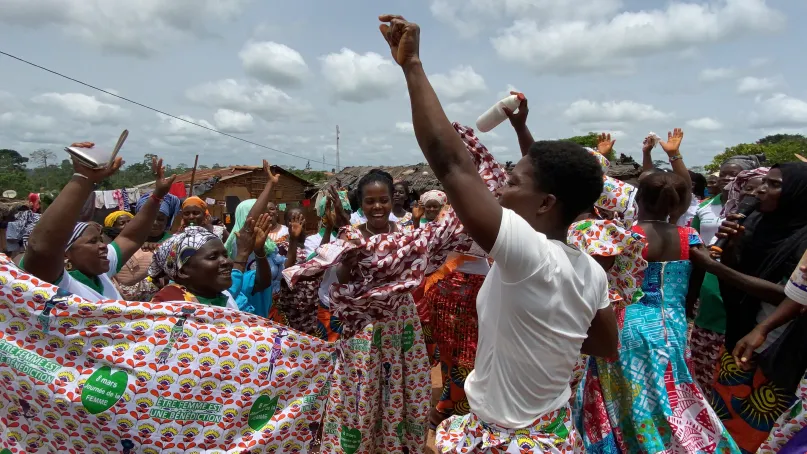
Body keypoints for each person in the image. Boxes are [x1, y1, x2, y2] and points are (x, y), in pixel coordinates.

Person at [377, 14, 617, 452]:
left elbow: (452, 166)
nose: (500, 190)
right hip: (554, 430)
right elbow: (604, 344)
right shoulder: (586, 268)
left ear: (545, 204)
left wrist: (412, 66)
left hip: (509, 439)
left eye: (512, 182)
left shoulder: (530, 258)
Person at [694, 163, 807, 452]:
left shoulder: (803, 237)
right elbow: (741, 279)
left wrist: (715, 268)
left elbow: (792, 296)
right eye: (763, 182)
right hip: (742, 338)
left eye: (773, 184)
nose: (760, 190)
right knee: (727, 422)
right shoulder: (757, 221)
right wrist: (731, 246)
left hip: (782, 349)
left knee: (762, 435)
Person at [21, 151, 175, 301]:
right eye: (92, 242)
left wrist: (157, 195)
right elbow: (40, 248)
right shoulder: (57, 283)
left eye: (101, 240)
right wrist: (83, 178)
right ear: (65, 254)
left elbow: (131, 237)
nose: (104, 246)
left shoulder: (99, 273)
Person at [687, 161, 764, 390]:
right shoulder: (726, 220)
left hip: (749, 322)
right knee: (703, 375)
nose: (753, 194)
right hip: (710, 298)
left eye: (763, 187)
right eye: (747, 189)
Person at [112, 193, 180, 301]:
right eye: (150, 218)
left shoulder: (175, 242)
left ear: (168, 220)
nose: (155, 223)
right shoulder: (127, 241)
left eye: (160, 219)